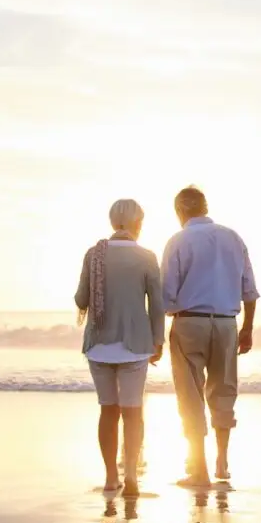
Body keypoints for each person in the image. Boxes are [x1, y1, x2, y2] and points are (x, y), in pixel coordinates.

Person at [161, 186, 258, 488]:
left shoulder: (178, 241)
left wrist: (161, 322)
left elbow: (166, 293)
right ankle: (222, 461)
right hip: (228, 322)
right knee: (224, 391)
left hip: (190, 322)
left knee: (190, 395)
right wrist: (248, 328)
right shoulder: (233, 237)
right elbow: (249, 289)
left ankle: (199, 469)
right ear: (205, 207)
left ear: (179, 211)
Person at [75, 198, 164, 498]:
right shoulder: (147, 257)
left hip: (99, 345)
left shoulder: (93, 254)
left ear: (113, 222)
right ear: (138, 223)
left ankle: (111, 478)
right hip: (135, 344)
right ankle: (132, 478)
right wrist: (158, 340)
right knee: (132, 411)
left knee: (108, 411)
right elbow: (157, 304)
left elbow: (81, 298)